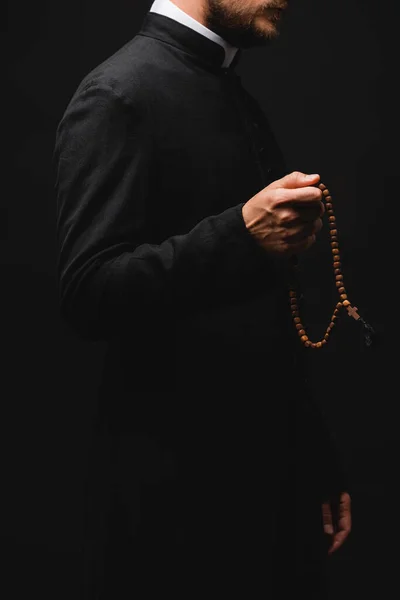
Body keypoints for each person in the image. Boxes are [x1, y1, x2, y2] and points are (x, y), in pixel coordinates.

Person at [53, 0, 351, 597]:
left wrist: (312, 453)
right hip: (177, 504)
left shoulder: (228, 86)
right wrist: (240, 234)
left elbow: (259, 311)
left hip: (269, 481)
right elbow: (89, 292)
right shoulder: (117, 93)